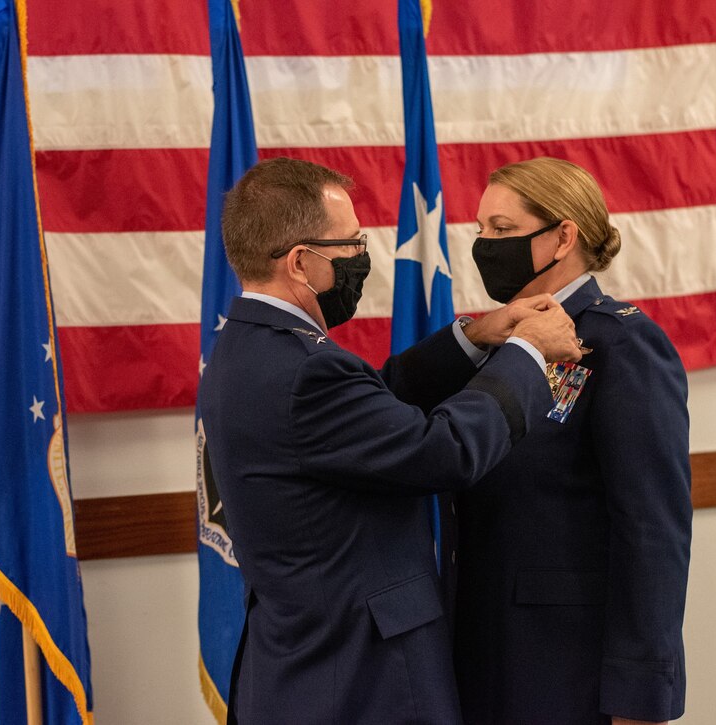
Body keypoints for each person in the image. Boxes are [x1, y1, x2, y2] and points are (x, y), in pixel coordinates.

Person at [197, 156, 582, 724]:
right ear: (301, 262)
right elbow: (443, 451)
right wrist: (527, 353)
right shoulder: (306, 371)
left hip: (302, 670)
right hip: (358, 680)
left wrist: (476, 337)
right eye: (349, 244)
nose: (361, 256)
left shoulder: (246, 350)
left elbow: (376, 406)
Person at [454, 157, 692, 725]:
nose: (485, 244)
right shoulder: (495, 342)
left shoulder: (623, 344)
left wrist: (640, 698)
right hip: (477, 652)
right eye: (481, 229)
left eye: (503, 230)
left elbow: (652, 529)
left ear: (563, 237)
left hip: (568, 666)